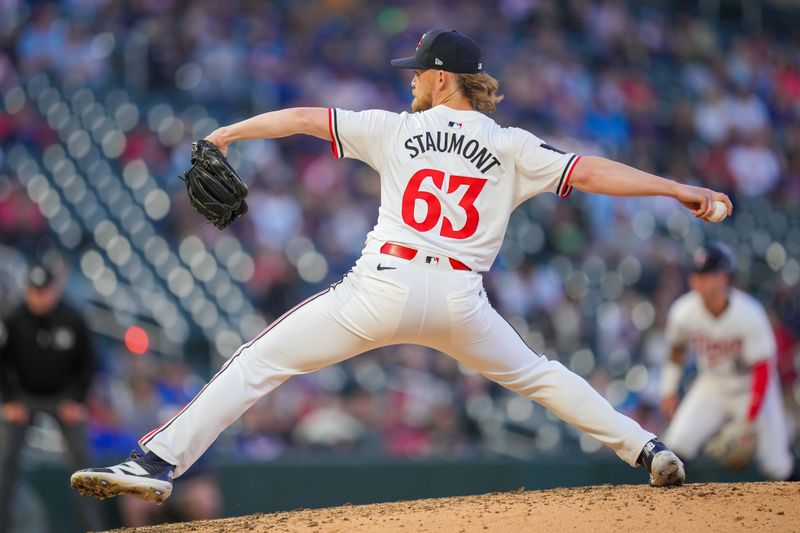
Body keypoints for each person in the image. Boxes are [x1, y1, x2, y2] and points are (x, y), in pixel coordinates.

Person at [71, 27, 734, 503]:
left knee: (257, 362)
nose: (411, 79)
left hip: (382, 286)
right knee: (540, 374)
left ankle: (154, 459)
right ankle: (647, 448)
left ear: (443, 78)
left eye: (418, 70)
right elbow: (588, 170)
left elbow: (304, 118)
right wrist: (676, 189)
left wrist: (224, 134)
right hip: (460, 302)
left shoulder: (395, 128)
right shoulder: (511, 144)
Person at [660, 242, 796, 480]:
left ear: (723, 278)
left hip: (752, 387)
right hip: (713, 384)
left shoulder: (749, 313)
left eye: (706, 275)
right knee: (674, 449)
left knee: (777, 465)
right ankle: (676, 512)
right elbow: (677, 351)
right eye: (696, 275)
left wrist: (748, 420)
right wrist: (669, 389)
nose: (698, 281)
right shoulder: (683, 311)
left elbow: (763, 369)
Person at [0, 260, 103, 532]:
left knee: (82, 461)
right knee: (5, 457)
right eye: (33, 290)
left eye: (43, 291)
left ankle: (90, 527)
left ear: (54, 291)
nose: (38, 296)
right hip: (24, 396)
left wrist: (78, 399)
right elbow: (2, 362)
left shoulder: (72, 317)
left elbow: (90, 363)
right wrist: (9, 399)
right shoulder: (14, 318)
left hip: (63, 396)